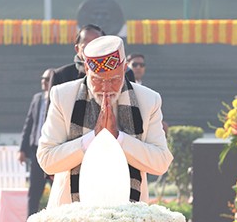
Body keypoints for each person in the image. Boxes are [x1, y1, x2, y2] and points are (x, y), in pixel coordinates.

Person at [37, 35, 173, 207]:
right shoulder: (63, 96)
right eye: (98, 80)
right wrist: (92, 138)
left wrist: (118, 138)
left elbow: (161, 162)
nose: (106, 88)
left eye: (114, 80)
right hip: (71, 215)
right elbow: (47, 160)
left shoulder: (148, 100)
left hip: (130, 216)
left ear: (124, 68)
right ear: (87, 69)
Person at [16, 68, 55, 222]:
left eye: (47, 79)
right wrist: (22, 149)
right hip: (36, 150)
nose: (44, 82)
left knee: (56, 191)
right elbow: (28, 124)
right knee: (34, 191)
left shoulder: (58, 98)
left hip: (53, 152)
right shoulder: (37, 98)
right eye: (43, 79)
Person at [50, 24, 135, 87]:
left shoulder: (124, 73)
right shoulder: (61, 76)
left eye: (96, 47)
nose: (91, 52)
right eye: (86, 47)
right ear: (77, 49)